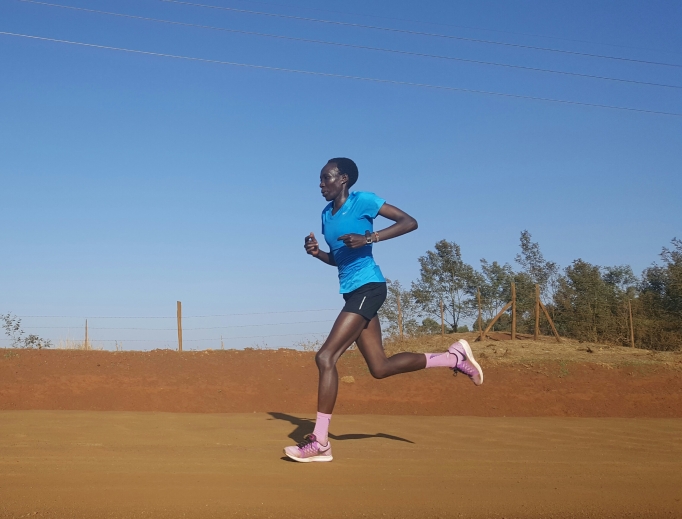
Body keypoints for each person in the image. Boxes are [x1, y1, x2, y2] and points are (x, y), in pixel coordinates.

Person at [283, 158, 483, 463]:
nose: (321, 184)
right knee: (380, 367)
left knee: (325, 357)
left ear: (344, 179)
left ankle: (320, 442)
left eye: (326, 178)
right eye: (320, 179)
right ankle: (453, 357)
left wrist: (370, 238)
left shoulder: (363, 200)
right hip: (352, 292)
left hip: (369, 288)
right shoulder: (326, 215)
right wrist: (318, 253)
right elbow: (340, 259)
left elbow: (409, 222)